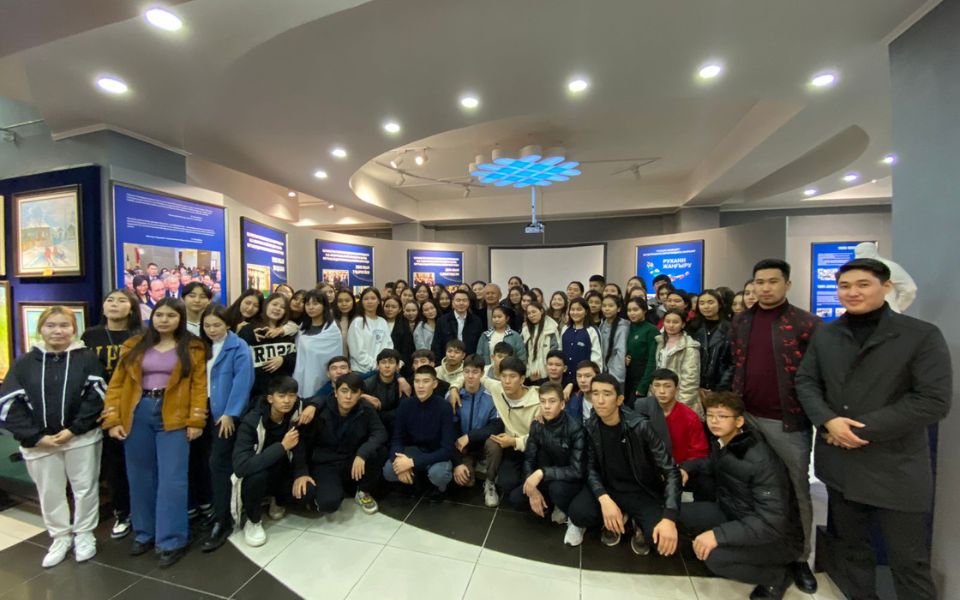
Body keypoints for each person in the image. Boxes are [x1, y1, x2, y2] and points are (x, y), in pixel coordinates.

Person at [796, 258, 951, 600]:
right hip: (841, 464)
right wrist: (828, 420)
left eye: (863, 284)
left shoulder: (920, 335)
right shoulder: (827, 333)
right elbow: (806, 381)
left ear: (886, 287)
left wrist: (859, 430)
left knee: (909, 561)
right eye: (845, 286)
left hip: (896, 465)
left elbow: (932, 401)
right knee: (851, 555)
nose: (852, 292)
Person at [730, 259, 821, 593]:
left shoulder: (806, 323)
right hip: (746, 417)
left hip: (788, 421)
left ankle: (799, 557)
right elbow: (736, 363)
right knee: (751, 487)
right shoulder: (741, 321)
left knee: (796, 489)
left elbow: (817, 374)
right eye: (759, 282)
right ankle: (760, 549)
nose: (765, 288)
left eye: (772, 281)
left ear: (787, 284)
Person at [101, 298, 207, 568]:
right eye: (159, 315)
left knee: (173, 479)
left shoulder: (193, 347)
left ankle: (172, 539)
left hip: (174, 414)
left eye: (171, 315)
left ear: (180, 318)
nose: (164, 320)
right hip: (137, 412)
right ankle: (145, 532)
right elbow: (116, 385)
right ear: (152, 317)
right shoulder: (134, 345)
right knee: (140, 476)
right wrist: (112, 418)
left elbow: (198, 386)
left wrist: (197, 420)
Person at [0, 307, 106, 567]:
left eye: (64, 325)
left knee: (85, 488)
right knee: (50, 491)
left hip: (81, 438)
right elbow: (9, 404)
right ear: (41, 329)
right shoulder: (25, 363)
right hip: (40, 444)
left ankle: (84, 534)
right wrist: (36, 436)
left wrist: (74, 429)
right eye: (51, 325)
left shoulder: (87, 359)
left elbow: (97, 396)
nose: (58, 331)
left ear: (74, 329)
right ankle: (60, 537)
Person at [680, 392, 803, 600]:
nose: (714, 421)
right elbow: (712, 464)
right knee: (680, 514)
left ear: (739, 421)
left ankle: (777, 577)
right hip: (735, 513)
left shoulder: (760, 460)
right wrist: (685, 468)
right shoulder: (726, 442)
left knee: (715, 558)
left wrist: (718, 535)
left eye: (722, 416)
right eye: (710, 415)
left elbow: (771, 523)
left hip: (776, 538)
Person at [565, 374, 681, 554]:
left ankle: (633, 520)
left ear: (619, 400)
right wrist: (603, 498)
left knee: (660, 542)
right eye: (595, 393)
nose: (600, 400)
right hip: (610, 487)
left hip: (640, 490)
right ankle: (619, 516)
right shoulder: (591, 425)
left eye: (607, 394)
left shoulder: (640, 426)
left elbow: (671, 470)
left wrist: (669, 517)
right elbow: (590, 467)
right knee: (578, 513)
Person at [81, 289, 142, 540]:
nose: (114, 304)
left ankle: (141, 510)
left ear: (132, 308)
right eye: (110, 300)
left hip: (133, 406)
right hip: (97, 408)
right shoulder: (90, 336)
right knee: (113, 466)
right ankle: (122, 512)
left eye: (121, 300)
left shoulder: (141, 336)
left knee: (136, 463)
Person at [198, 305, 255, 552]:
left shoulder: (238, 347)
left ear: (228, 325)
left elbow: (243, 382)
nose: (212, 330)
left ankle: (224, 520)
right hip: (202, 413)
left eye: (217, 325)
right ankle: (215, 509)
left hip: (225, 416)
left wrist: (231, 413)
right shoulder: (200, 346)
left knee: (220, 464)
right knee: (206, 463)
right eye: (207, 325)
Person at [291, 372, 387, 516]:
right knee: (328, 504)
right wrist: (301, 471)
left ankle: (362, 490)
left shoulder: (365, 408)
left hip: (351, 459)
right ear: (336, 392)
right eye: (344, 391)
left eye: (354, 392)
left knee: (380, 451)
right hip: (326, 463)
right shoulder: (318, 409)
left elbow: (380, 433)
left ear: (360, 394)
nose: (348, 396)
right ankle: (335, 487)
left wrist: (362, 453)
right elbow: (301, 442)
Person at [449, 357, 541, 505]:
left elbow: (540, 438)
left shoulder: (539, 401)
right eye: (504, 376)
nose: (507, 381)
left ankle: (493, 478)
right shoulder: (497, 388)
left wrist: (514, 441)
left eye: (512, 376)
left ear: (522, 379)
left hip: (533, 448)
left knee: (521, 491)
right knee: (506, 484)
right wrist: (453, 387)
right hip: (512, 448)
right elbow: (472, 375)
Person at [231, 376, 301, 547]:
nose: (287, 401)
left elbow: (317, 400)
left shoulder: (295, 410)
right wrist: (282, 446)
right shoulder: (251, 422)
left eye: (291, 395)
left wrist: (313, 406)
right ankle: (253, 521)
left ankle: (277, 499)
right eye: (281, 396)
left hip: (282, 469)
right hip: (257, 472)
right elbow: (241, 466)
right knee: (257, 476)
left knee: (308, 492)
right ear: (270, 398)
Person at [509, 382, 585, 532]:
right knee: (516, 498)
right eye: (542, 401)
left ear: (562, 404)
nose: (547, 406)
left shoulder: (575, 428)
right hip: (545, 476)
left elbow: (577, 471)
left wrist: (542, 473)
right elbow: (529, 459)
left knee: (557, 490)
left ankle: (562, 507)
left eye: (552, 401)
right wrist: (532, 489)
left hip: (567, 479)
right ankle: (546, 502)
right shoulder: (537, 425)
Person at [383, 365, 455, 498]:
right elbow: (397, 439)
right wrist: (399, 461)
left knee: (439, 475)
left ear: (434, 384)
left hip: (435, 452)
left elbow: (447, 449)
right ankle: (414, 480)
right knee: (389, 470)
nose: (420, 386)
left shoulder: (444, 407)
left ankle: (439, 488)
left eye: (426, 381)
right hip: (414, 450)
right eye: (417, 381)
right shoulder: (405, 405)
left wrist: (411, 463)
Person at [450, 355, 504, 506]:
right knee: (465, 482)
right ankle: (472, 465)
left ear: (482, 373)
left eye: (475, 372)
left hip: (482, 443)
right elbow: (448, 429)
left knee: (495, 443)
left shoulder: (491, 396)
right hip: (462, 447)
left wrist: (470, 436)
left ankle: (490, 481)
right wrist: (457, 462)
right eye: (466, 372)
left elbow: (496, 426)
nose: (470, 376)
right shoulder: (453, 395)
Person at [648, 369, 709, 496]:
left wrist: (685, 469)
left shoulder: (689, 417)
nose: (662, 391)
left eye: (667, 386)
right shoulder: (643, 412)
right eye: (657, 386)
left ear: (677, 389)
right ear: (651, 388)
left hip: (679, 470)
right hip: (651, 470)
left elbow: (699, 452)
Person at [292, 289, 344, 414]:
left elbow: (336, 358)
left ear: (324, 305)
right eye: (308, 304)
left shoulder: (332, 330)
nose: (311, 307)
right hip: (302, 376)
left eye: (315, 303)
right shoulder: (302, 328)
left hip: (324, 378)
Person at [239, 292, 298, 399]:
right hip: (256, 392)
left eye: (282, 307)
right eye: (274, 304)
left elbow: (297, 357)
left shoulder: (289, 332)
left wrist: (283, 359)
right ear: (266, 305)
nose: (277, 309)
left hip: (283, 392)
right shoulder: (250, 329)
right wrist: (249, 334)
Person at [688, 289, 733, 401]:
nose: (706, 306)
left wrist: (719, 389)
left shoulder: (730, 328)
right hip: (695, 388)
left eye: (710, 302)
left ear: (720, 304)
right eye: (702, 303)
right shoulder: (692, 327)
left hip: (721, 388)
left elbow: (732, 363)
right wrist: (696, 386)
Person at [653, 309, 701, 413]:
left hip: (680, 399)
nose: (671, 325)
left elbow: (690, 381)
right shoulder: (660, 342)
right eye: (668, 321)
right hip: (662, 396)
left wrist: (680, 407)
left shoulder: (690, 347)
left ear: (683, 324)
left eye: (675, 322)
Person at [853, 242, 917, 313]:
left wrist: (897, 308)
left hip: (883, 314)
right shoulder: (856, 269)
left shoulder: (890, 267)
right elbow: (909, 289)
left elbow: (910, 289)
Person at [347, 288, 394, 373]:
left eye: (373, 298)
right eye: (366, 299)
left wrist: (384, 364)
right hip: (362, 371)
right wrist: (375, 365)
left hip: (382, 370)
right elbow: (357, 352)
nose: (369, 302)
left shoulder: (382, 321)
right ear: (361, 302)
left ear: (379, 301)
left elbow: (389, 345)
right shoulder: (357, 322)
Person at [624, 297, 658, 407]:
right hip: (627, 377)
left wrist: (643, 385)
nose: (632, 313)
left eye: (635, 310)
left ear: (644, 310)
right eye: (629, 310)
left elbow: (652, 360)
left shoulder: (651, 330)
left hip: (641, 377)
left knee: (634, 409)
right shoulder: (627, 327)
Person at [560, 298, 602, 386]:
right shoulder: (565, 329)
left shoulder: (592, 330)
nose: (575, 312)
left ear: (586, 312)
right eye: (572, 309)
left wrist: (596, 380)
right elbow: (560, 351)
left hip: (584, 380)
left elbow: (597, 358)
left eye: (579, 309)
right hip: (565, 378)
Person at [362, 349, 405, 434]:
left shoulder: (403, 385)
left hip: (396, 423)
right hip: (372, 425)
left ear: (397, 366)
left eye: (391, 362)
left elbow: (403, 410)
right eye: (383, 362)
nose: (387, 366)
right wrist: (362, 396)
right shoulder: (367, 384)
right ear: (377, 365)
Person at [432, 289, 483, 356]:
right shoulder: (442, 321)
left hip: (469, 359)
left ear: (469, 303)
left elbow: (480, 345)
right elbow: (436, 344)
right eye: (458, 300)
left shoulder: (476, 321)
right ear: (453, 302)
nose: (461, 303)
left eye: (464, 300)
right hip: (448, 358)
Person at [521, 301, 561, 383]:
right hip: (530, 374)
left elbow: (556, 351)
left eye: (534, 312)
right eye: (529, 313)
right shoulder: (525, 330)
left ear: (541, 311)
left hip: (547, 375)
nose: (531, 315)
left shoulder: (551, 328)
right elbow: (524, 354)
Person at [598, 295, 628, 383]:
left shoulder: (623, 327)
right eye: (604, 306)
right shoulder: (603, 324)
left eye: (611, 306)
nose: (607, 309)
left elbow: (621, 352)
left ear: (618, 309)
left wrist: (616, 375)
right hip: (604, 371)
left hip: (616, 374)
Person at [383, 296, 415, 378]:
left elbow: (407, 349)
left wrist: (398, 364)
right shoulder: (379, 322)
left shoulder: (404, 324)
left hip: (399, 367)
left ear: (400, 309)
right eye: (387, 306)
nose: (390, 309)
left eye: (393, 307)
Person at [333, 289, 356, 355]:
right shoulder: (331, 320)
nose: (344, 304)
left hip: (354, 359)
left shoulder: (358, 319)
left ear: (353, 302)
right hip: (335, 358)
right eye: (340, 301)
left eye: (347, 301)